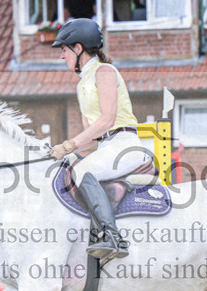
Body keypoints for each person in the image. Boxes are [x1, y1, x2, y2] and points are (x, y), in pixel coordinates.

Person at [49, 18, 151, 259]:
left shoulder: (104, 72)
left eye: (64, 50)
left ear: (78, 48)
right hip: (106, 147)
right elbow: (93, 140)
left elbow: (107, 120)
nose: (62, 56)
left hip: (125, 145)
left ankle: (112, 236)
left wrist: (69, 145)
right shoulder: (82, 84)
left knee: (83, 172)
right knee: (67, 167)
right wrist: (63, 152)